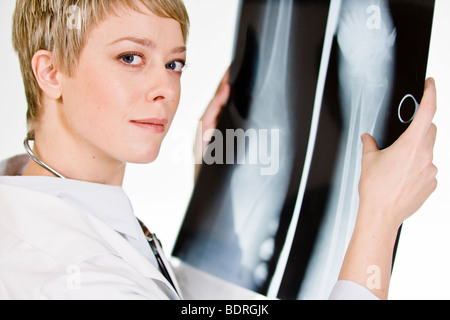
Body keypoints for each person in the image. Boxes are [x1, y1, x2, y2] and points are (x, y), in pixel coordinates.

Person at [0, 0, 437, 300]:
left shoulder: (43, 196)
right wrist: (379, 218)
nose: (165, 90)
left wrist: (217, 201)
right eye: (131, 57)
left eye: (174, 64)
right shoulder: (63, 273)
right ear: (50, 71)